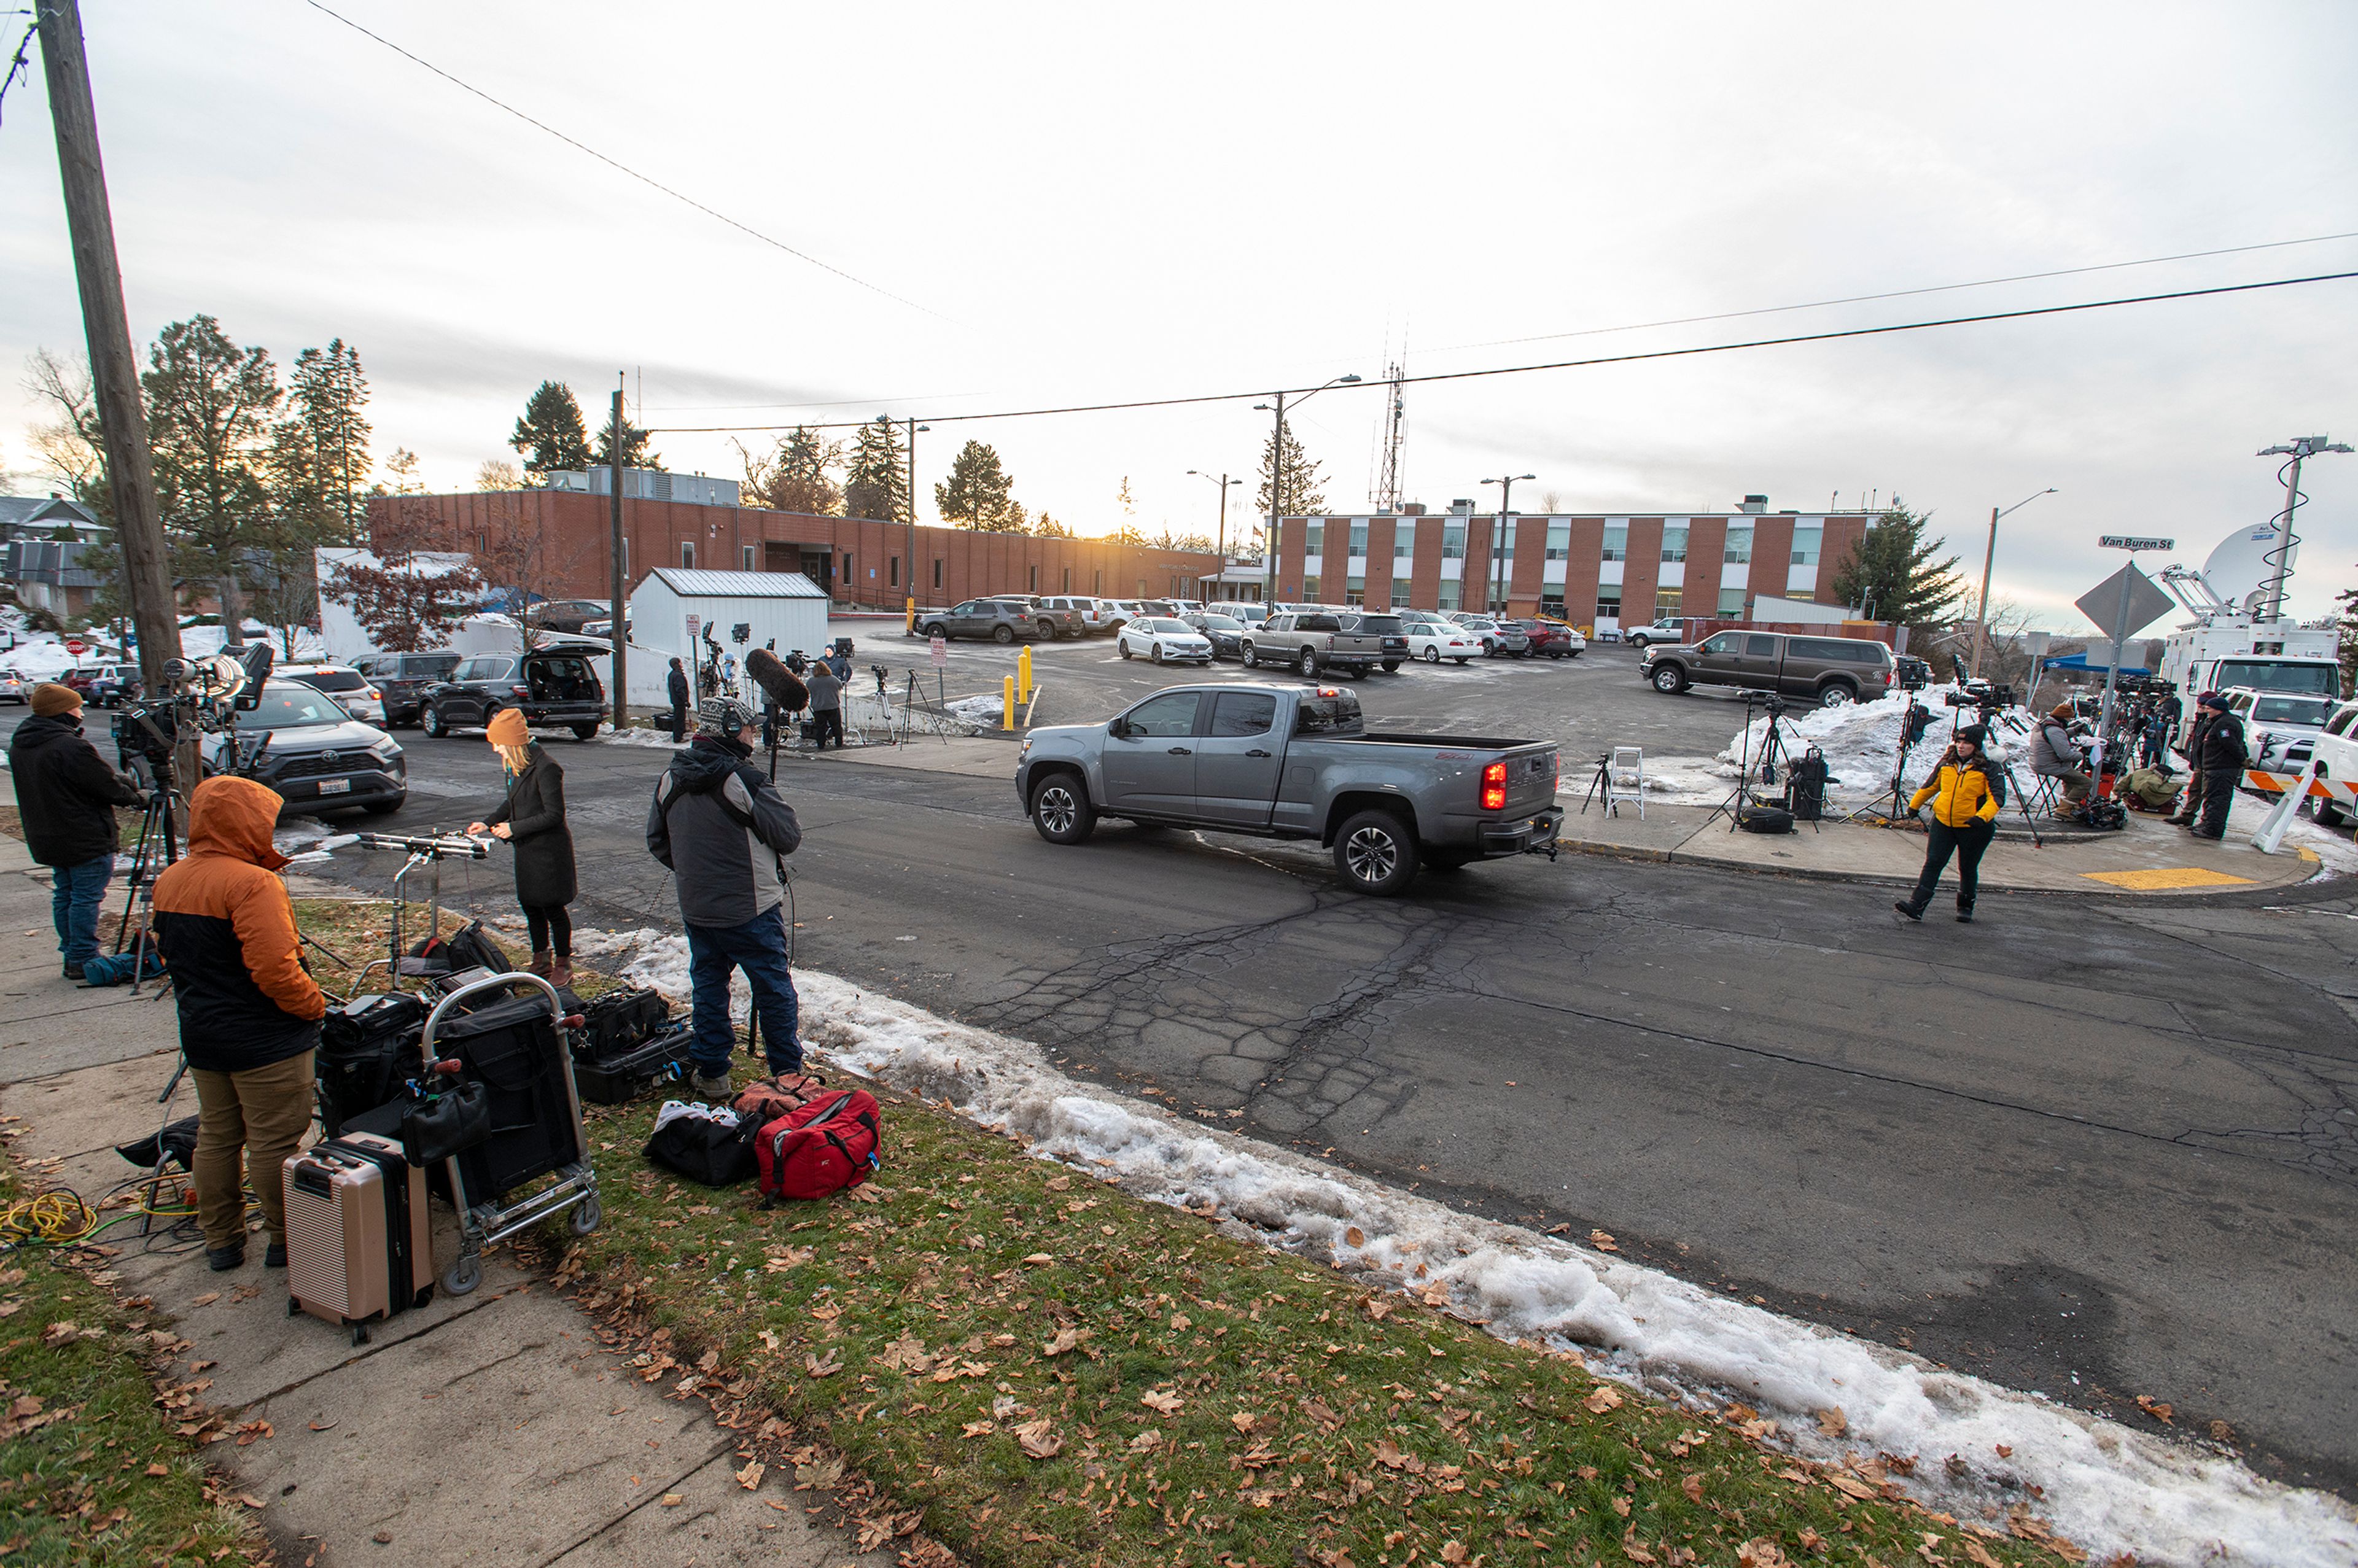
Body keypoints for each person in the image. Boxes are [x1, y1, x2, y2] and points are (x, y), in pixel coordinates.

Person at [150, 776, 327, 1272]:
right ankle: (288, 1239)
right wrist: (314, 1007)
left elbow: (168, 952)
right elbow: (275, 968)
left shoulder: (173, 877)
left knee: (217, 1135)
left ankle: (222, 1240)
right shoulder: (251, 882)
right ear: (244, 822)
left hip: (203, 1031)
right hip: (265, 1038)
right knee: (274, 1142)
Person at [646, 697, 804, 1096]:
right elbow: (788, 837)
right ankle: (788, 1074)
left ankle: (713, 1073)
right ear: (731, 729)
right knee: (773, 989)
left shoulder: (670, 777)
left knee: (709, 988)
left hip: (698, 908)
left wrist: (697, 874)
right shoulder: (744, 780)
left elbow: (658, 842)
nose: (754, 734)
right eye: (749, 727)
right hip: (751, 909)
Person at [9, 681, 143, 979]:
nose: (82, 712)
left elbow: (73, 779)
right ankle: (83, 957)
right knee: (85, 897)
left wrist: (115, 780)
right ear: (64, 712)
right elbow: (103, 786)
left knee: (66, 895)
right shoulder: (70, 746)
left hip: (48, 835)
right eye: (77, 707)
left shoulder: (23, 744)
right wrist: (135, 797)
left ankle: (73, 953)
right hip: (84, 835)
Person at [468, 708, 577, 985]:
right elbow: (512, 803)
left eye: (499, 744)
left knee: (553, 908)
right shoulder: (516, 767)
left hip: (548, 853)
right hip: (527, 849)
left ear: (513, 744)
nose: (496, 750)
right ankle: (541, 959)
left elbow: (554, 814)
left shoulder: (547, 768)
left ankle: (563, 963)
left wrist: (513, 828)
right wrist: (488, 822)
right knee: (530, 905)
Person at [1893, 726, 2002, 925]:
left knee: (1967, 867)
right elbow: (1931, 786)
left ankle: (1965, 907)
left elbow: (1997, 798)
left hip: (1974, 827)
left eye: (1966, 743)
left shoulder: (1989, 767)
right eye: (1958, 742)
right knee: (1933, 862)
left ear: (1976, 746)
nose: (1961, 746)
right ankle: (1916, 905)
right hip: (1943, 822)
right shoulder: (1947, 763)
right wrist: (1914, 806)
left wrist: (1982, 817)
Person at [2189, 689, 2247, 840]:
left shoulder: (2225, 724)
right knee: (2210, 797)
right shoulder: (2218, 722)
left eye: (2209, 709)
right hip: (2214, 767)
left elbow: (2230, 744)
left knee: (2218, 799)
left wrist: (2242, 759)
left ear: (2218, 710)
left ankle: (2213, 830)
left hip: (2221, 768)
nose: (2206, 712)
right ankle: (2206, 824)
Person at [2164, 696, 2217, 826]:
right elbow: (2197, 741)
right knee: (2194, 790)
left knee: (2207, 793)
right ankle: (2187, 815)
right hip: (2199, 761)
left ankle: (2206, 821)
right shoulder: (2202, 720)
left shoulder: (2214, 722)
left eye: (2204, 707)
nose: (2202, 709)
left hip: (2208, 763)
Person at [2030, 702, 2091, 811]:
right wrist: (2081, 754)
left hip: (2041, 763)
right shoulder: (2055, 730)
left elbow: (2058, 736)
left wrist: (2075, 730)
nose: (2069, 721)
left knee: (2072, 780)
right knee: (2085, 782)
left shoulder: (2045, 724)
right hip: (2051, 766)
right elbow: (2066, 755)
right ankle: (2064, 810)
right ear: (2064, 718)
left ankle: (2067, 805)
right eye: (2069, 718)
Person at [806, 659, 844, 750]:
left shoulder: (811, 681)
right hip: (833, 706)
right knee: (836, 727)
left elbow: (807, 691)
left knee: (820, 728)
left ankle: (821, 745)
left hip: (818, 708)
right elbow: (840, 686)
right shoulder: (833, 679)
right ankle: (839, 743)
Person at [666, 657, 690, 743]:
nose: (681, 664)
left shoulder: (672, 674)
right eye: (680, 663)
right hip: (679, 701)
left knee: (678, 719)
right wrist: (685, 700)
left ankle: (679, 734)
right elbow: (680, 689)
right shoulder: (678, 675)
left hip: (675, 700)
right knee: (679, 719)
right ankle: (678, 737)